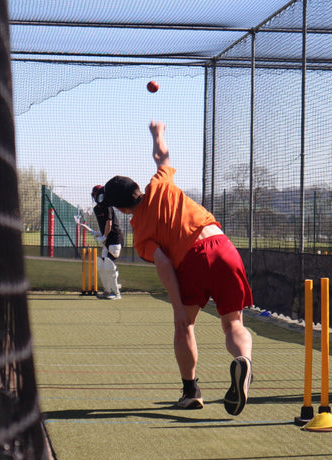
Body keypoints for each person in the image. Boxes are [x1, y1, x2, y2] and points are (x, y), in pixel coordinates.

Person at [101, 121, 253, 416]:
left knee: (185, 325)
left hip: (191, 259)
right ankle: (243, 360)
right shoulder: (160, 183)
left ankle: (191, 391)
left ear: (120, 209)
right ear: (136, 189)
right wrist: (158, 133)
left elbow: (164, 264)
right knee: (233, 323)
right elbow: (161, 156)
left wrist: (178, 308)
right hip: (223, 246)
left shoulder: (141, 231)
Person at [91, 185, 125, 300]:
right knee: (101, 265)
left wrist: (104, 236)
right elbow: (103, 225)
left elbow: (109, 223)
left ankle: (116, 294)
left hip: (115, 239)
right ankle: (107, 291)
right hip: (106, 241)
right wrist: (99, 233)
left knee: (109, 265)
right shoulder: (96, 209)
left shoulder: (108, 206)